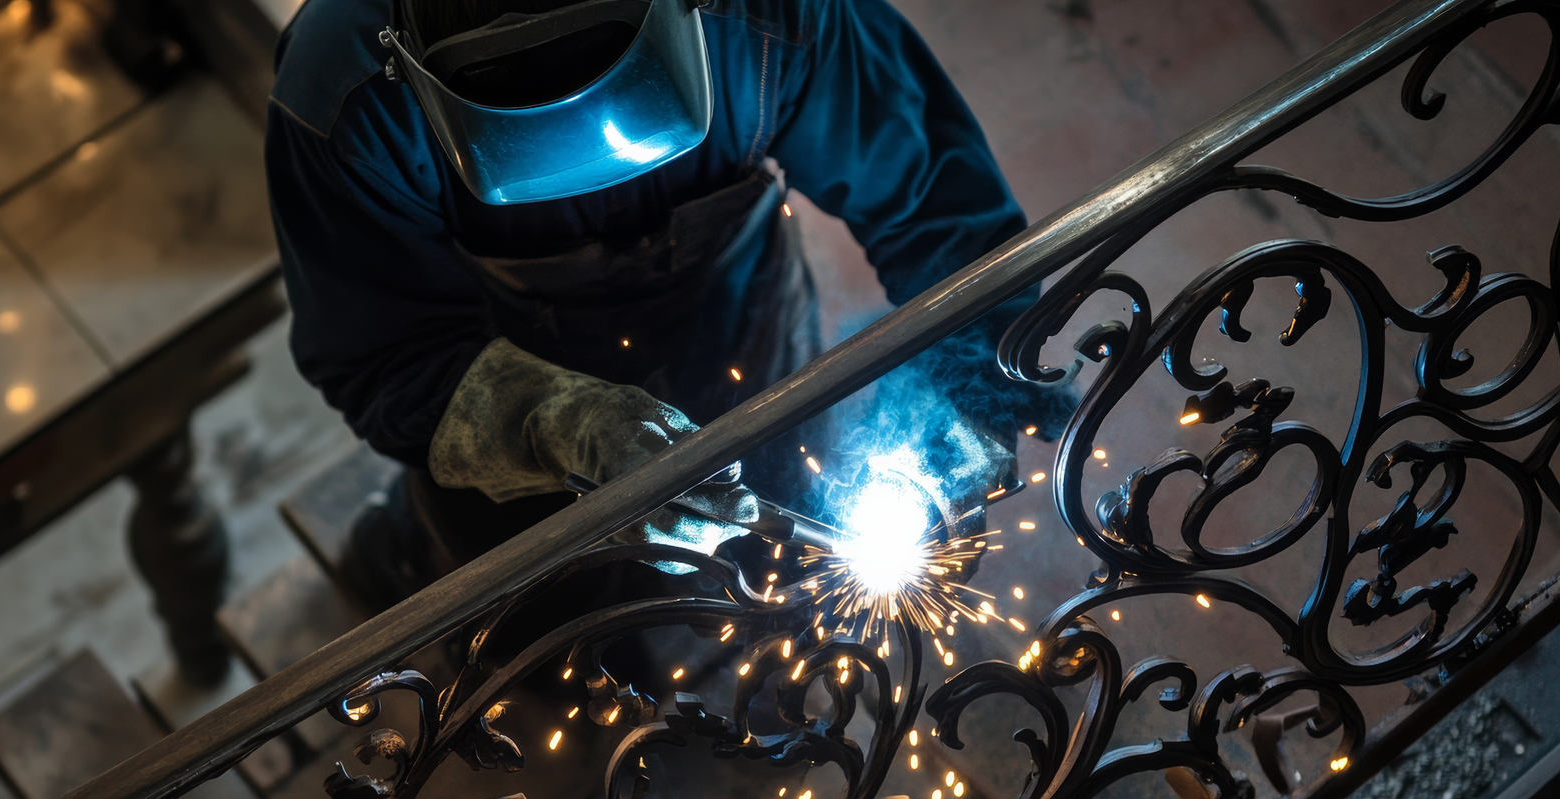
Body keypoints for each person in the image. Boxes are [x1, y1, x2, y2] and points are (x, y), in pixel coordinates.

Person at [266, 0, 1063, 612]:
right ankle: (405, 550)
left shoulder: (764, 13)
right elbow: (383, 356)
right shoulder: (345, 97)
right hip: (518, 383)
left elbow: (942, 213)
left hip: (750, 333)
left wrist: (968, 387)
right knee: (543, 633)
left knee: (782, 571)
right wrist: (559, 424)